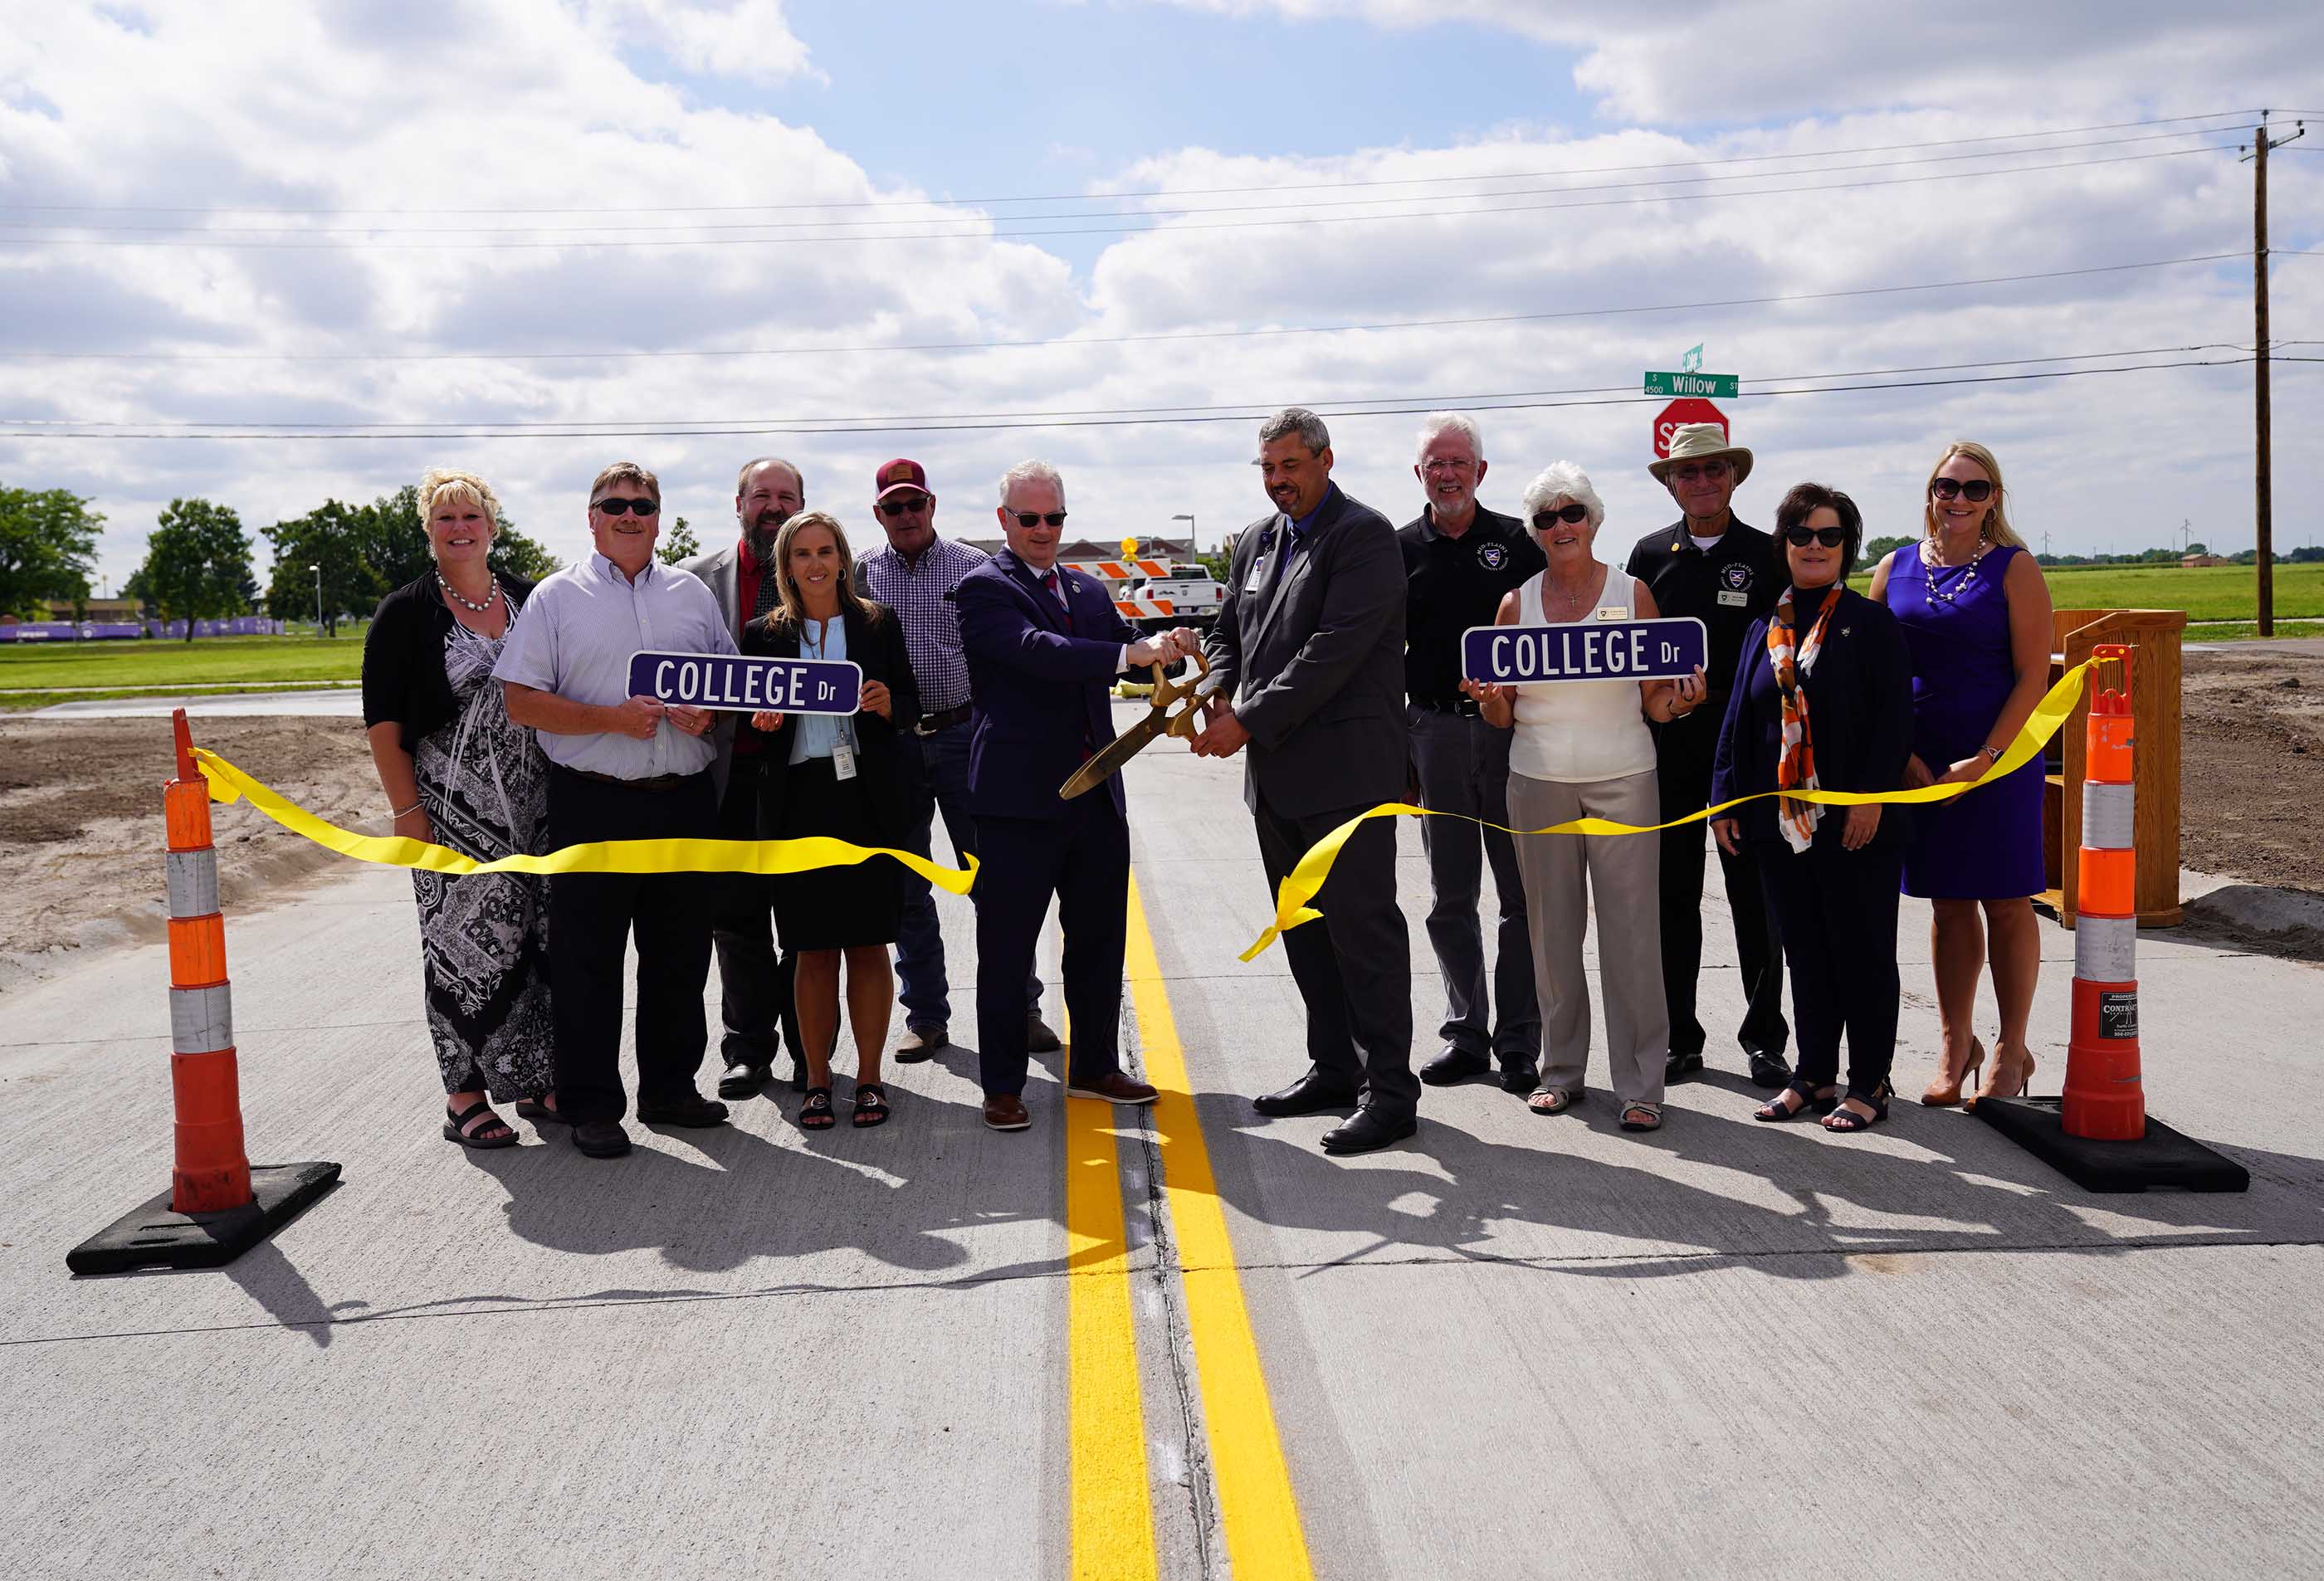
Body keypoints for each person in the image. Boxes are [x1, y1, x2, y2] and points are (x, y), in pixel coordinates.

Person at [1194, 407, 1416, 1155]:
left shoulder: (1363, 536)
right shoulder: (1257, 541)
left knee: (1364, 933)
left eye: (1290, 466)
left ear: (1325, 459)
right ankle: (1333, 1066)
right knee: (1306, 931)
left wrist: (1246, 719)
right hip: (1279, 782)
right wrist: (1222, 687)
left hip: (1348, 781)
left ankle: (1390, 1091)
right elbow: (1228, 631)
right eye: (1267, 468)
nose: (1278, 481)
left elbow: (1330, 653)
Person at [495, 461, 731, 1159]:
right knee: (589, 962)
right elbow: (520, 699)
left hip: (684, 800)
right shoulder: (555, 598)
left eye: (644, 505)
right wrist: (609, 719)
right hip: (591, 800)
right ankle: (593, 1103)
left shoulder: (691, 594)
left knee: (680, 955)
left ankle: (670, 1089)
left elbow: (726, 677)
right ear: (591, 516)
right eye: (616, 504)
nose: (631, 515)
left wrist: (705, 714)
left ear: (659, 517)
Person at [953, 461, 1195, 1130]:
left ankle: (1093, 1065)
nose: (1041, 530)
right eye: (1028, 518)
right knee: (1007, 949)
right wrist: (1130, 655)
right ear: (1004, 520)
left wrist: (1169, 648)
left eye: (1053, 517)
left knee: (1097, 942)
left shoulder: (1088, 590)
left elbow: (1123, 649)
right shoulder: (980, 589)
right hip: (1017, 802)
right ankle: (1001, 1086)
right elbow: (1040, 651)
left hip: (1095, 799)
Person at [1464, 463, 1702, 1134]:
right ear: (1536, 532)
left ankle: (1640, 1083)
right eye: (1546, 518)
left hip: (1625, 778)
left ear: (1593, 521)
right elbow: (1503, 718)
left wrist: (1683, 699)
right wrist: (1488, 702)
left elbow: (1657, 699)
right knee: (1553, 934)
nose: (1561, 526)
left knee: (1631, 936)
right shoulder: (1517, 603)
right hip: (1536, 782)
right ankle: (1561, 1071)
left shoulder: (1634, 593)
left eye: (1572, 514)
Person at [1712, 484, 1916, 1133]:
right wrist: (1723, 799)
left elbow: (1894, 724)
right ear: (1785, 545)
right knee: (1804, 952)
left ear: (1847, 548)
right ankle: (1814, 1074)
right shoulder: (1760, 628)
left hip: (1857, 825)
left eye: (1830, 536)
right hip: (1779, 826)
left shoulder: (1872, 624)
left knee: (1862, 953)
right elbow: (1738, 721)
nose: (1815, 547)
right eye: (1802, 535)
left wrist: (1871, 798)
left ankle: (1870, 1081)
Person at [362, 467, 554, 1149]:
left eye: (471, 516)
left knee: (538, 943)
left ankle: (534, 1077)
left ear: (492, 526)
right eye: (445, 518)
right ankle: (463, 1095)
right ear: (429, 530)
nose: (460, 528)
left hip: (538, 807)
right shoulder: (405, 612)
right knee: (461, 952)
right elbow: (384, 722)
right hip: (448, 810)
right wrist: (405, 809)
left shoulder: (533, 600)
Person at [1870, 442, 2055, 1108]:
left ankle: (2012, 1047)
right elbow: (1877, 675)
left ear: (1993, 499)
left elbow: (2035, 675)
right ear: (1930, 491)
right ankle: (1956, 1043)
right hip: (1921, 765)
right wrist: (1900, 755)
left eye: (1974, 490)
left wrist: (1989, 758)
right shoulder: (1892, 568)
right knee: (1948, 905)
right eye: (1948, 487)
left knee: (2005, 902)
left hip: (1998, 759)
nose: (1959, 500)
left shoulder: (2015, 568)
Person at [857, 458, 1055, 1061]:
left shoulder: (976, 567)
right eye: (894, 506)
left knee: (993, 880)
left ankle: (1021, 1008)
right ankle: (926, 1015)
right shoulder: (860, 574)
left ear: (933, 505)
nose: (907, 515)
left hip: (966, 735)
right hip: (893, 744)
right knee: (909, 885)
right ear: (879, 514)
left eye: (915, 503)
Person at [1626, 422, 1790, 1089]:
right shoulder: (1645, 556)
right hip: (1670, 744)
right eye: (1687, 472)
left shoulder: (1770, 553)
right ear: (1670, 482)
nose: (1701, 482)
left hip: (1747, 749)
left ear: (1733, 477)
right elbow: (1629, 650)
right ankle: (1679, 1035)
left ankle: (1763, 1038)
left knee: (1754, 893)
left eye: (1713, 470)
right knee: (1672, 895)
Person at [742, 511, 918, 1131]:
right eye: (801, 554)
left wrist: (890, 702)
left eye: (825, 550)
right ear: (785, 566)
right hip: (799, 802)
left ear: (844, 558)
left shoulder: (877, 623)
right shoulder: (763, 633)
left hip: (866, 800)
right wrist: (762, 722)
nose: (815, 564)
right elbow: (749, 729)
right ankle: (817, 1080)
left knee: (869, 945)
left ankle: (869, 1078)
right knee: (810, 950)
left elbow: (910, 703)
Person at [1398, 413, 1545, 1095]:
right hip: (1433, 732)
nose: (1448, 473)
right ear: (1420, 474)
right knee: (1450, 895)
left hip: (1514, 735)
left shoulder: (1521, 544)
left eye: (1459, 462)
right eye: (1435, 463)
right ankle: (1466, 1034)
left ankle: (1519, 1042)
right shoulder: (1396, 550)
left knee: (1522, 898)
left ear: (1481, 472)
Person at [679, 456, 804, 1100]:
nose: (774, 507)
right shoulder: (693, 583)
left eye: (787, 496)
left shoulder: (831, 576)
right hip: (728, 776)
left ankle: (813, 1053)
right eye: (762, 496)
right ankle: (749, 1050)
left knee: (808, 926)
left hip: (808, 781)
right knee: (737, 923)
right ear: (739, 503)